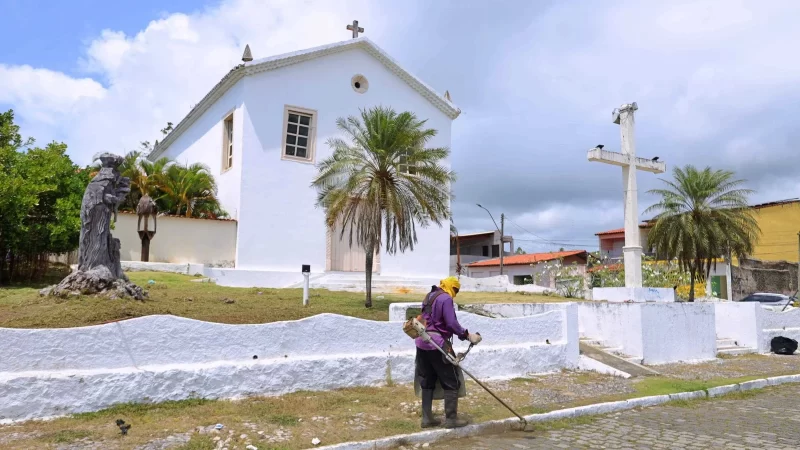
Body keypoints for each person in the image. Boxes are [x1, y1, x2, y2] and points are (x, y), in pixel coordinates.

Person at [415, 276, 482, 429]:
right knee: (451, 379)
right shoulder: (445, 299)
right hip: (438, 344)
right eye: (455, 290)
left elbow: (425, 319)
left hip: (422, 342)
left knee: (427, 379)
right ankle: (451, 420)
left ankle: (427, 419)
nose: (455, 293)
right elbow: (451, 323)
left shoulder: (429, 296)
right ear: (451, 286)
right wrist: (467, 335)